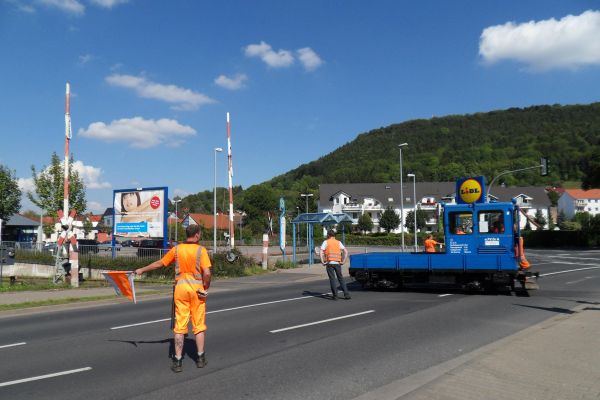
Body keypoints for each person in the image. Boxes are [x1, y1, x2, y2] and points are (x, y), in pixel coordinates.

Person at [135, 224, 211, 373]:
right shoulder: (201, 250)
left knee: (180, 326)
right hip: (197, 291)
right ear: (196, 235)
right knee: (199, 325)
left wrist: (141, 269)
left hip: (180, 290)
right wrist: (205, 286)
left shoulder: (176, 250)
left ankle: (177, 361)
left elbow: (160, 263)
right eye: (200, 234)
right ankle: (200, 358)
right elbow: (207, 272)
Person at [319, 229, 351, 300]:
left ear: (328, 235)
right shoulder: (338, 242)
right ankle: (346, 294)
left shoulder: (326, 242)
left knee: (332, 279)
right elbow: (346, 251)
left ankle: (335, 296)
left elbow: (321, 251)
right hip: (337, 263)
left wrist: (322, 261)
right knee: (341, 279)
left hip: (329, 263)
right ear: (334, 235)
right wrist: (343, 261)